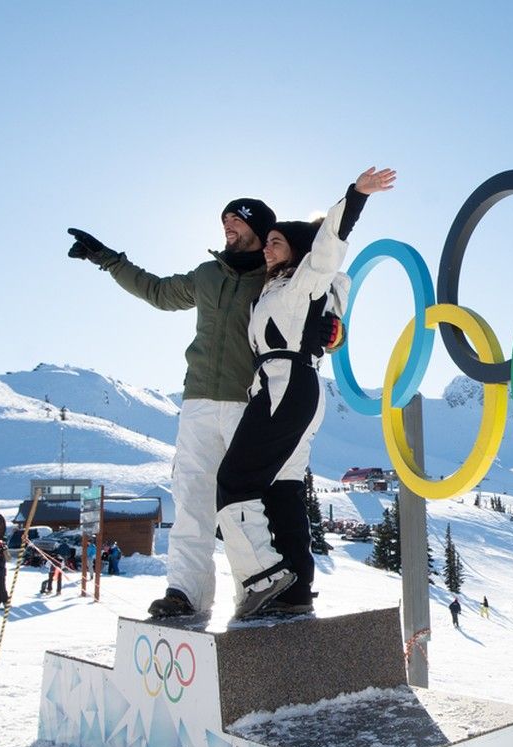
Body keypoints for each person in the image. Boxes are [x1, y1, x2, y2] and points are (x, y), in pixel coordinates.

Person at [68, 196, 340, 621]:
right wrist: (107, 259)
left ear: (260, 227)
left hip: (247, 402)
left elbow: (321, 301)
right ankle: (185, 594)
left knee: (245, 499)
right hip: (196, 401)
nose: (227, 224)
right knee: (192, 498)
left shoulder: (273, 276)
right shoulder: (207, 275)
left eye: (237, 218)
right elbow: (157, 292)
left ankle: (255, 593)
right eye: (224, 219)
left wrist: (335, 330)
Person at [216, 166, 393, 620]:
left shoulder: (306, 281)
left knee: (235, 480)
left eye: (277, 241)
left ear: (298, 250)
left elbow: (330, 241)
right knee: (282, 489)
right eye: (268, 241)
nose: (269, 248)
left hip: (287, 385)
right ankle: (295, 589)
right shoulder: (271, 288)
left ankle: (261, 577)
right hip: (282, 387)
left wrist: (356, 196)